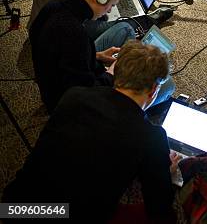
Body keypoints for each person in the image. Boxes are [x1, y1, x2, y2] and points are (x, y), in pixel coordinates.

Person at [3, 40, 178, 223]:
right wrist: (165, 173)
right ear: (153, 90)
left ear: (115, 72)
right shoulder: (152, 137)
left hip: (14, 206)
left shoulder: (74, 95)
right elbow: (160, 210)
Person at [29, 0, 126, 112]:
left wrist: (96, 56)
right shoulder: (73, 32)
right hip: (67, 106)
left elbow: (57, 57)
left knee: (125, 29)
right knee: (165, 87)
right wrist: (112, 73)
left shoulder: (52, 7)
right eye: (112, 5)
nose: (109, 11)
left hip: (51, 87)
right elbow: (85, 95)